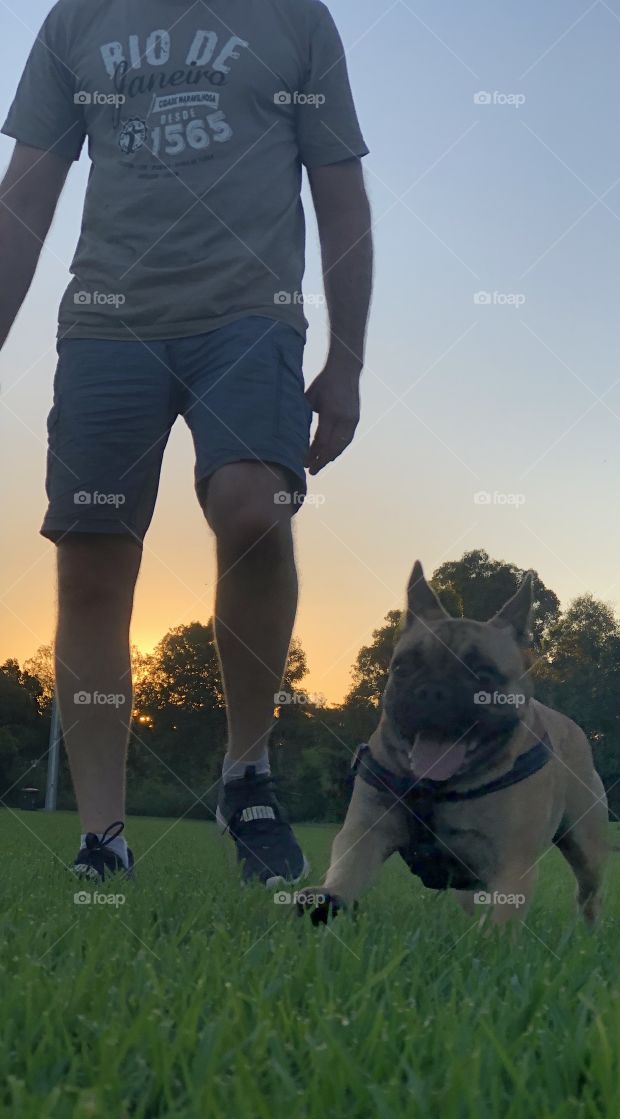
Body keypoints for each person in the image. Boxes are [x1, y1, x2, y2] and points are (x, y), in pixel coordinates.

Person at [0, 0, 373, 886]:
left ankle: (246, 771)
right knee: (90, 563)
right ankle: (103, 837)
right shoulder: (75, 21)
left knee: (254, 509)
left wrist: (348, 362)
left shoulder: (296, 20)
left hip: (250, 318)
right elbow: (25, 196)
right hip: (105, 325)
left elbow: (340, 191)